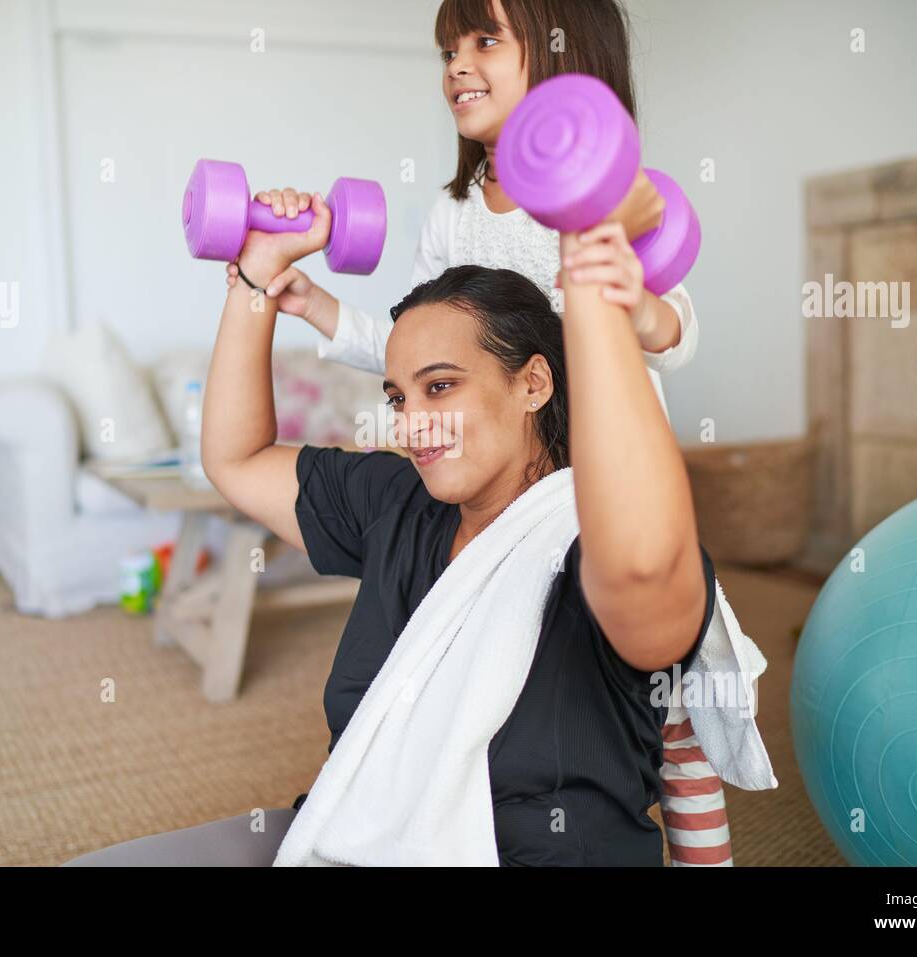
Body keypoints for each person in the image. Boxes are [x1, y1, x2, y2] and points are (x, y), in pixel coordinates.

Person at [66, 169, 714, 866]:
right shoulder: (399, 501)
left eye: (440, 387)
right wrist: (257, 277)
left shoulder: (598, 543)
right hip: (350, 840)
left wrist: (597, 295)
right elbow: (238, 458)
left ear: (533, 381)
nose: (412, 424)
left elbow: (646, 558)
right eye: (400, 397)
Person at [229, 0, 731, 865]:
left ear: (569, 56)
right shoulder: (453, 210)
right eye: (448, 49)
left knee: (678, 700)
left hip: (597, 490)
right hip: (497, 483)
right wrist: (300, 300)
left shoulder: (605, 196)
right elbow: (415, 341)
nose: (458, 64)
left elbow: (678, 327)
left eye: (486, 40)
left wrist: (624, 300)